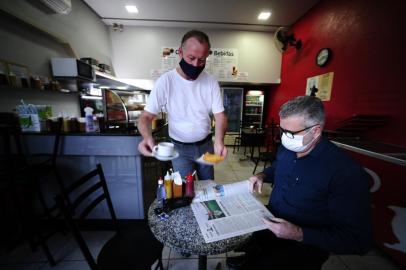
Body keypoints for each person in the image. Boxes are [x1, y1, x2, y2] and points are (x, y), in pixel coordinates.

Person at [227, 96, 372, 270]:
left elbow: (358, 240)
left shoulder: (345, 173)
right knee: (247, 244)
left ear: (316, 131)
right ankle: (250, 256)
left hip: (303, 244)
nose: (284, 138)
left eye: (290, 134)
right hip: (271, 221)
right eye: (282, 131)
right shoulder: (288, 149)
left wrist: (298, 234)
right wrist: (262, 175)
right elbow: (278, 168)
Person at [138, 30, 227, 180]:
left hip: (206, 146)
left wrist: (219, 141)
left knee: (208, 186)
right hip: (179, 149)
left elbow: (220, 116)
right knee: (185, 190)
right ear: (180, 52)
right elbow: (146, 117)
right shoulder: (165, 81)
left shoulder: (210, 81)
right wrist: (147, 138)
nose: (195, 64)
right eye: (191, 58)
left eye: (201, 60)